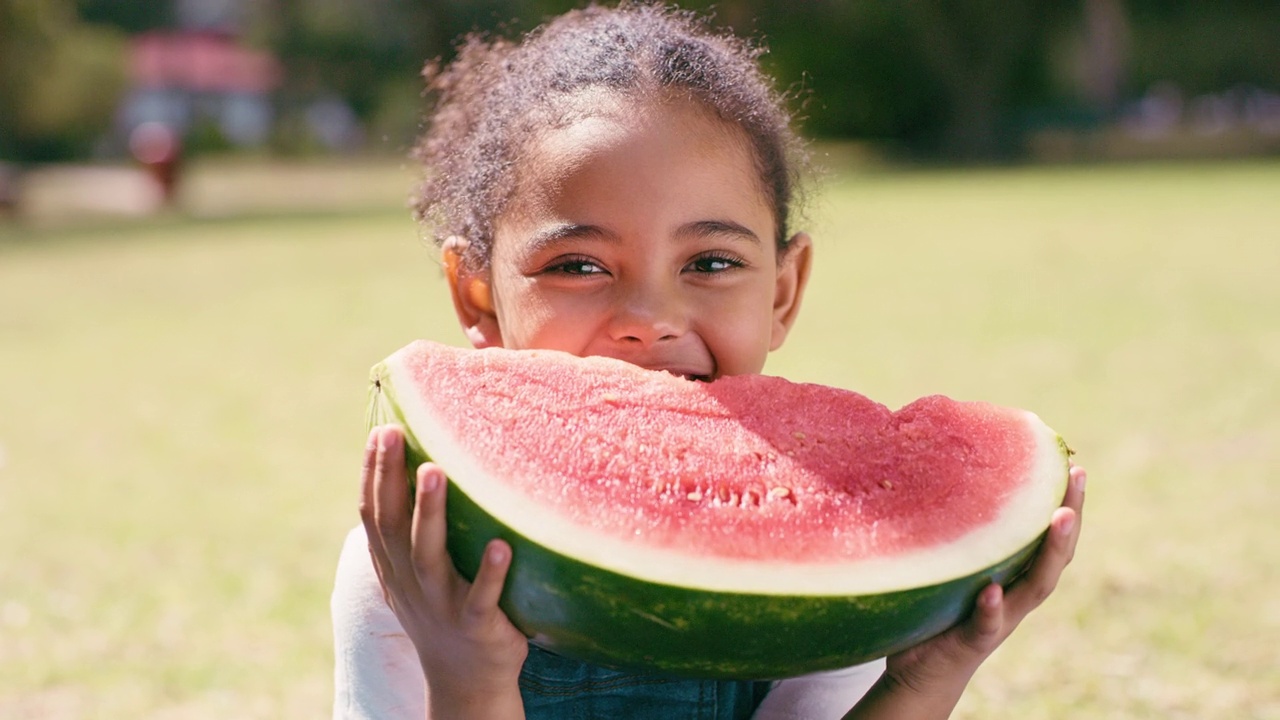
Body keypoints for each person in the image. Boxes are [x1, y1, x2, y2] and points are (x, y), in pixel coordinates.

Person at [332, 4, 1087, 719]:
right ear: (478, 298)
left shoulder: (841, 548)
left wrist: (926, 674)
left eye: (714, 261)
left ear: (784, 291)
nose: (652, 320)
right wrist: (465, 670)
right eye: (580, 266)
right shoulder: (408, 565)